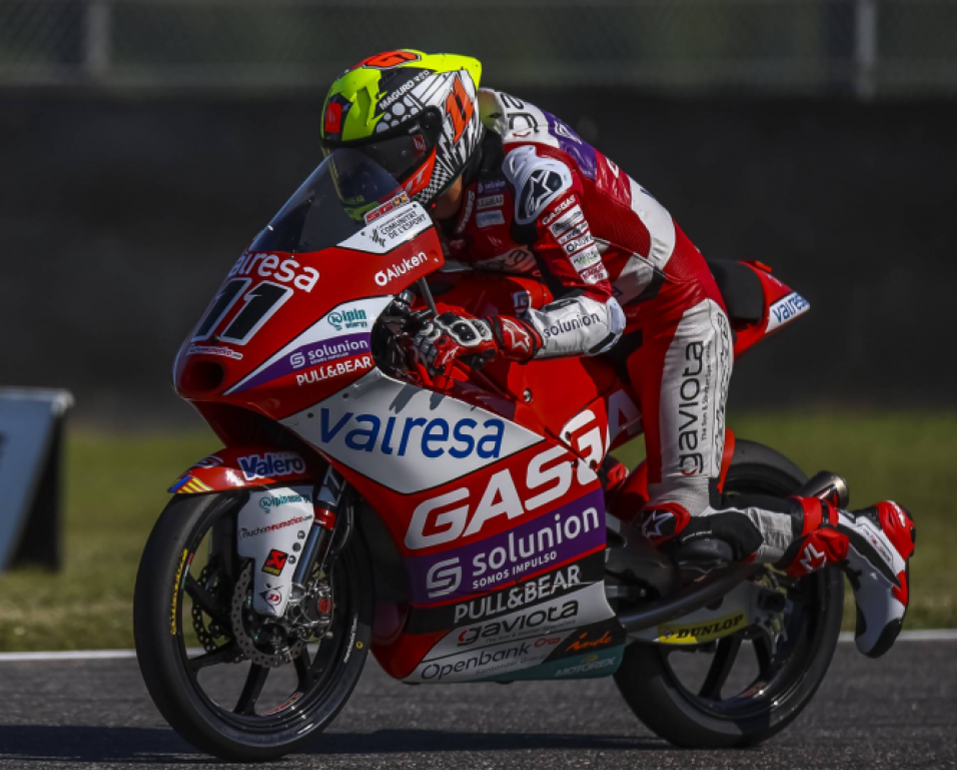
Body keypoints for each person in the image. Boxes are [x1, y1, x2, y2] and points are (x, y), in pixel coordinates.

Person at [318, 50, 915, 657]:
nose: (364, 184)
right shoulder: (428, 191)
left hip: (665, 316)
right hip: (553, 305)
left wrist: (500, 334)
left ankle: (857, 536)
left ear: (435, 138)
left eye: (378, 163)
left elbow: (598, 310)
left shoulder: (528, 172)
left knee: (684, 529)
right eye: (349, 168)